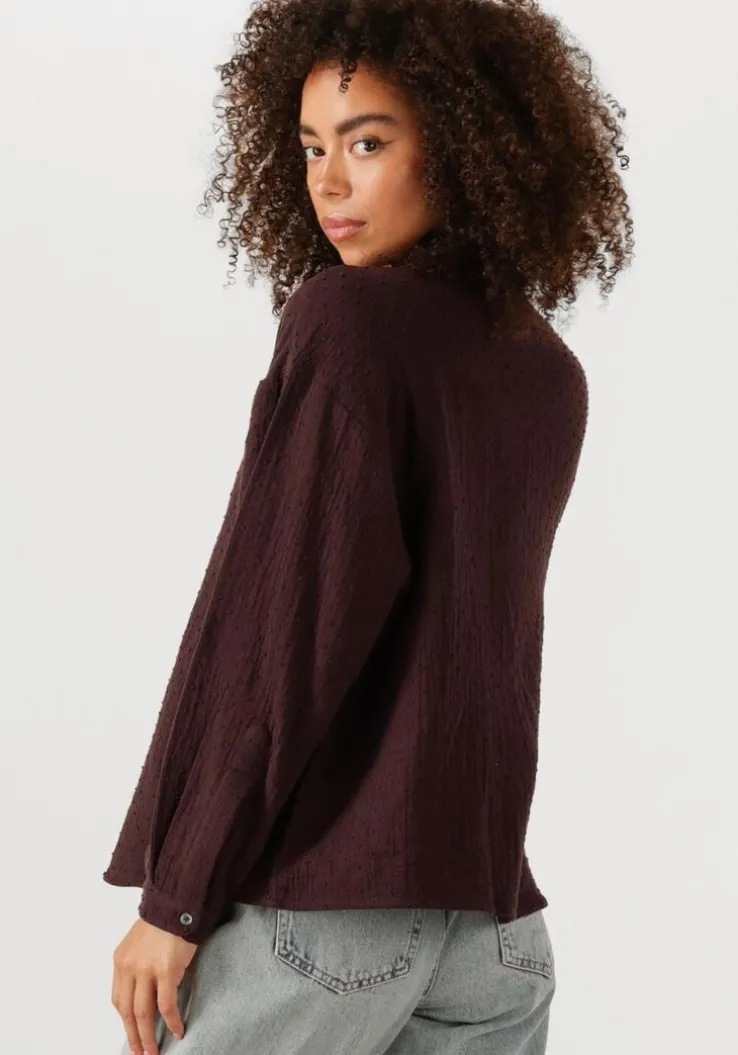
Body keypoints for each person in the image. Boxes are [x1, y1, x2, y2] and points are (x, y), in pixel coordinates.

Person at [104, 2, 634, 1053]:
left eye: (369, 142)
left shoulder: (345, 322)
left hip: (327, 917)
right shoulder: (549, 370)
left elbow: (285, 637)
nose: (329, 183)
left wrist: (178, 895)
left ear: (464, 143)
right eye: (312, 148)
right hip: (493, 934)